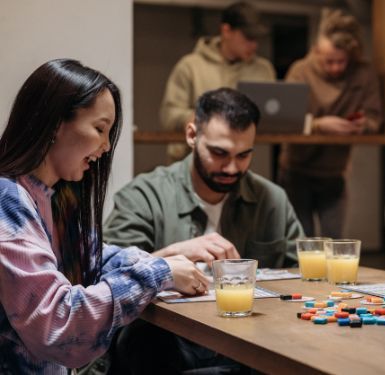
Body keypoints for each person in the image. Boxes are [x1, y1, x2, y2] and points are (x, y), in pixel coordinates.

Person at [0, 59, 206, 373]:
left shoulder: (55, 198)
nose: (106, 146)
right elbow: (59, 324)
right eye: (100, 129)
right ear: (56, 123)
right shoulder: (7, 199)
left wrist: (161, 263)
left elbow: (94, 260)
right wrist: (159, 273)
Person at [105, 87, 304, 373]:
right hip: (169, 341)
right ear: (191, 135)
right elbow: (105, 276)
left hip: (249, 340)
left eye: (244, 155)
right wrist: (171, 256)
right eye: (219, 153)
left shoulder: (272, 199)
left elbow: (303, 275)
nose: (232, 168)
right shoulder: (144, 195)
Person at [278, 9, 383, 238]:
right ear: (316, 52)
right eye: (329, 61)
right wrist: (317, 125)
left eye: (341, 61)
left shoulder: (363, 74)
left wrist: (362, 125)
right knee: (300, 243)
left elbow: (375, 118)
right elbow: (284, 120)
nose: (336, 67)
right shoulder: (300, 71)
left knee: (334, 243)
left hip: (335, 172)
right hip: (297, 169)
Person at [160, 1, 275, 162]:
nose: (254, 45)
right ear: (226, 31)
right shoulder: (190, 66)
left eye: (257, 38)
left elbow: (273, 116)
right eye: (248, 37)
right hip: (192, 163)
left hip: (244, 166)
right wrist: (198, 117)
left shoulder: (264, 69)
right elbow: (169, 117)